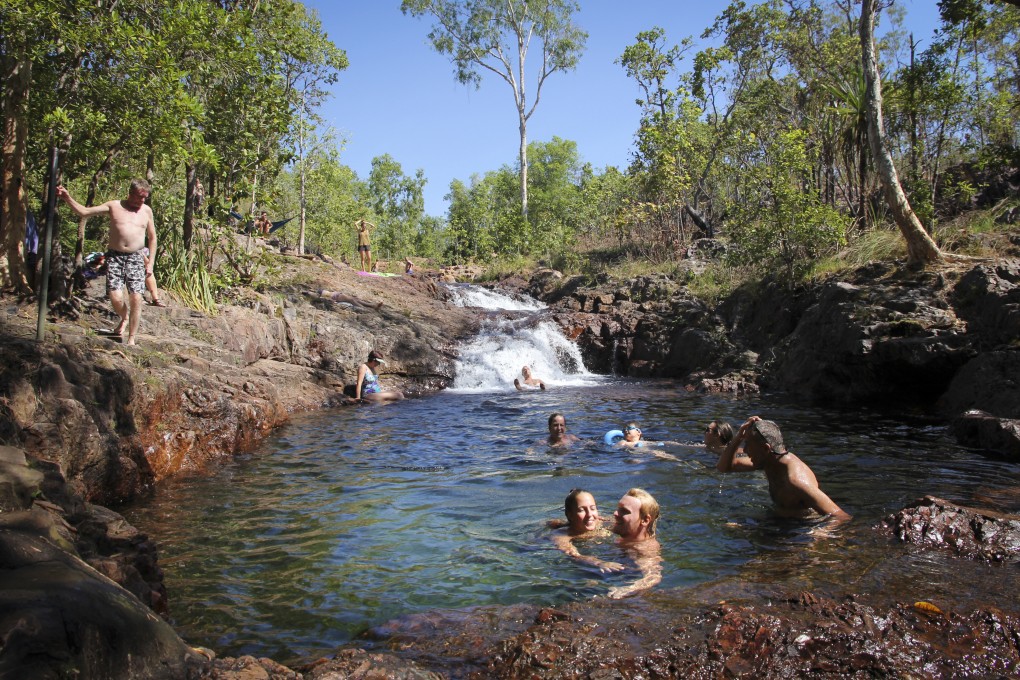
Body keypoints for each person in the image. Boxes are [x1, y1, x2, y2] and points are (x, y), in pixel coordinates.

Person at [56, 180, 156, 346]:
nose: (142, 201)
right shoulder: (114, 206)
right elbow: (84, 212)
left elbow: (153, 238)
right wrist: (67, 197)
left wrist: (150, 262)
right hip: (115, 256)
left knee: (136, 297)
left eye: (145, 198)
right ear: (130, 194)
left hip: (136, 257)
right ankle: (124, 317)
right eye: (140, 197)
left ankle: (131, 338)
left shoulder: (146, 211)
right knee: (116, 297)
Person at [716, 416, 850, 521]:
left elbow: (841, 516)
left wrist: (815, 539)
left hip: (801, 529)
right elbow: (724, 467)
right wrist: (739, 436)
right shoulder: (768, 461)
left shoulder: (795, 480)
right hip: (781, 522)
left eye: (748, 445)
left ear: (765, 449)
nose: (745, 450)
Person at [550, 489, 624, 573]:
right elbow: (575, 556)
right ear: (570, 515)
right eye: (581, 510)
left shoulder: (605, 522)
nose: (589, 515)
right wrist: (600, 563)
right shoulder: (562, 535)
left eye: (593, 509)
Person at [607, 488, 663, 598]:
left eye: (624, 511)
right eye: (618, 508)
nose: (615, 513)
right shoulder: (624, 531)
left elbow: (653, 577)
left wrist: (626, 590)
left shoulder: (644, 549)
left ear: (645, 520)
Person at [317, 289, 382, 311]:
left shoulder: (321, 294)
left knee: (356, 299)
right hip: (337, 297)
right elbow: (328, 299)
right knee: (352, 300)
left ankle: (373, 306)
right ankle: (365, 309)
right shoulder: (321, 296)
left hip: (338, 295)